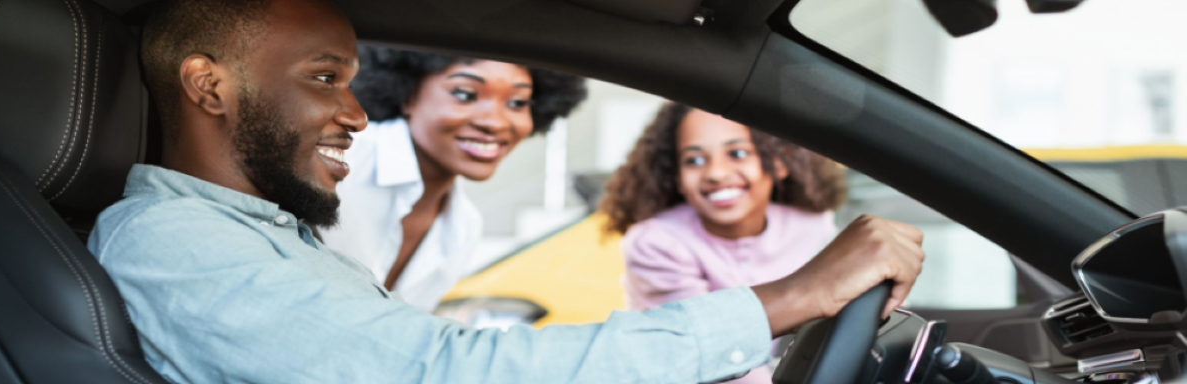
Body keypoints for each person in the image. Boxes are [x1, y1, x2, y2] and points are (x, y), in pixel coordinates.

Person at [88, 0, 926, 382]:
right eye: (322, 78)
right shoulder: (172, 239)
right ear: (209, 86)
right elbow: (442, 371)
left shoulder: (272, 233)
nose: (352, 111)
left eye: (349, 79)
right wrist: (793, 295)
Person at [317, 47, 587, 310]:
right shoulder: (342, 157)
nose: (494, 122)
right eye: (465, 94)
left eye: (517, 102)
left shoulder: (463, 226)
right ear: (408, 95)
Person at [601, 102, 848, 384]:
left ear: (779, 162)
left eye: (737, 153)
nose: (716, 173)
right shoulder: (657, 243)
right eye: (693, 160)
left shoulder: (813, 227)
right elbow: (710, 352)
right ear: (677, 177)